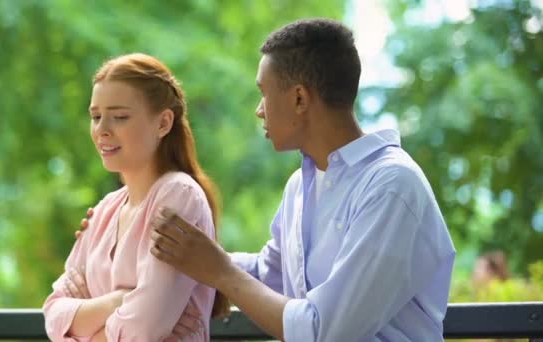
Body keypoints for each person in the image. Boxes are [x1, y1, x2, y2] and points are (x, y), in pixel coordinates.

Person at [147, 18, 457, 341]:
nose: (259, 110)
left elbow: (323, 331)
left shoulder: (392, 186)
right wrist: (180, 251)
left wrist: (219, 272)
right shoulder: (300, 184)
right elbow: (270, 275)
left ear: (299, 98)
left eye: (263, 93)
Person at [43, 53, 229, 342]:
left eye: (120, 117)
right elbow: (54, 313)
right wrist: (118, 301)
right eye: (95, 117)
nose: (102, 130)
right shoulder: (106, 209)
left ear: (164, 123)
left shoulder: (179, 195)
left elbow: (143, 331)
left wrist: (85, 325)